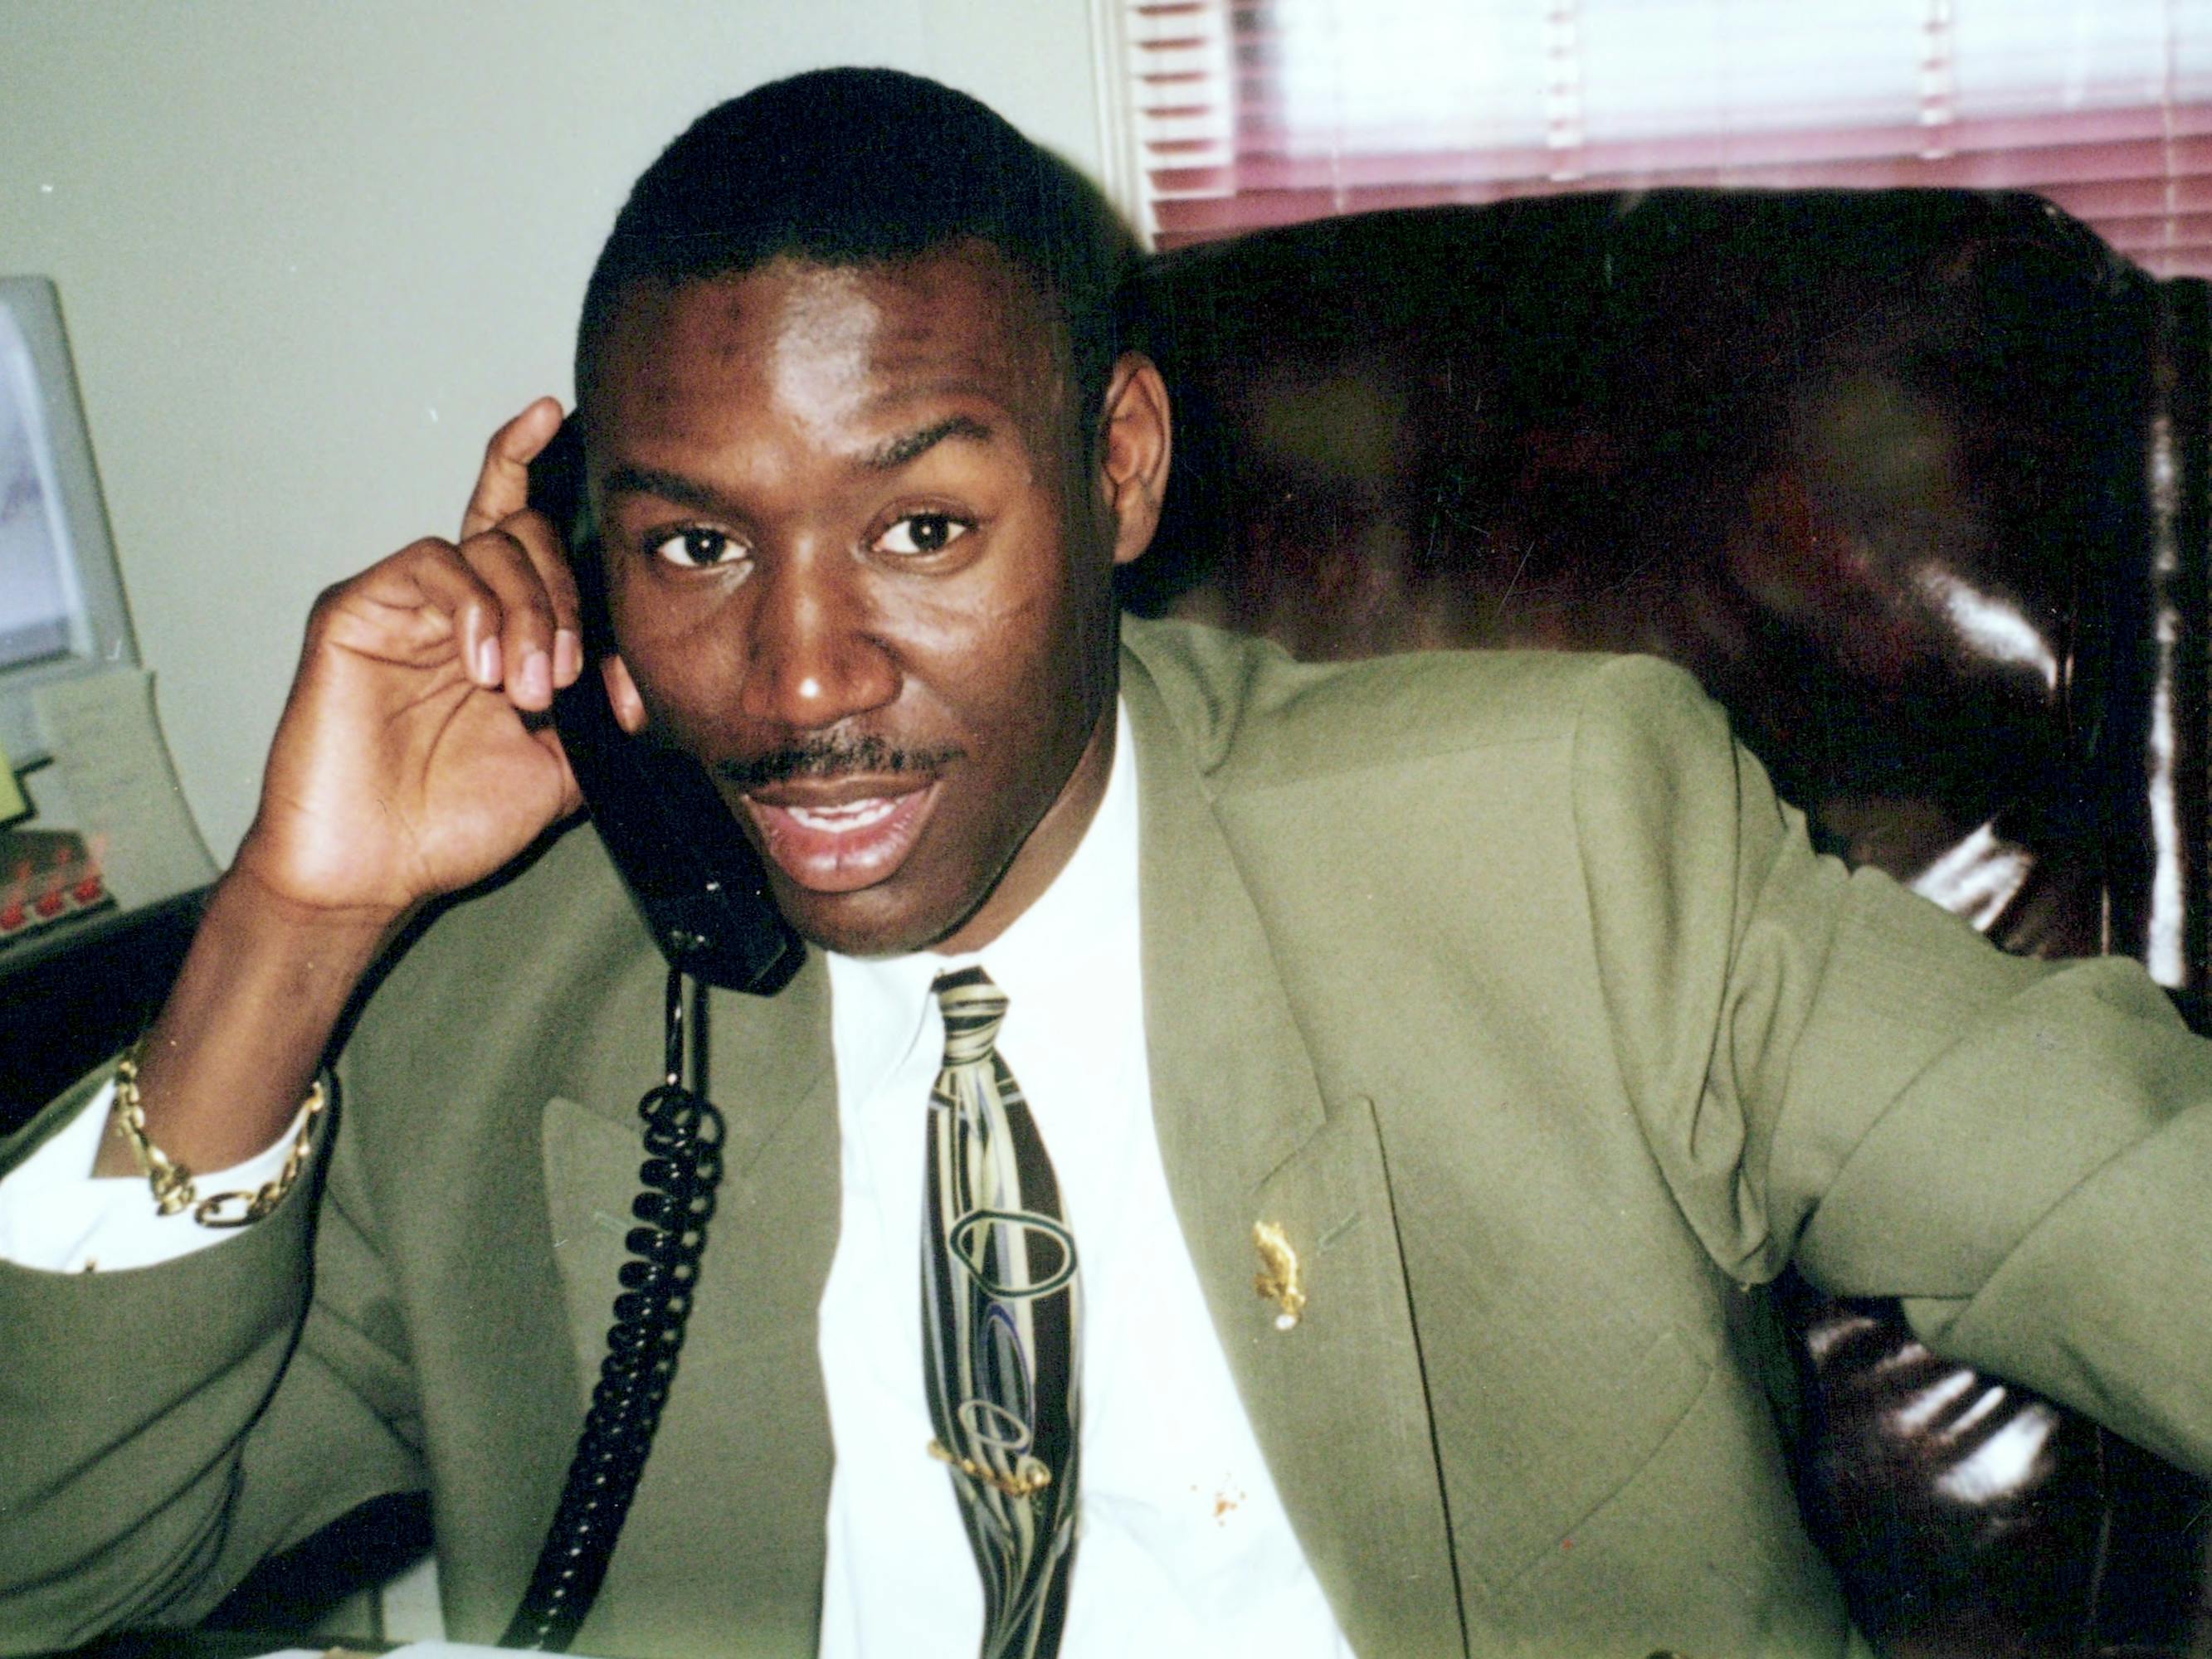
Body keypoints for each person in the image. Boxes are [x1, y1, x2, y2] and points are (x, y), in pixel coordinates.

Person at [3, 66, 2210, 1659]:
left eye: (925, 528)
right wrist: (296, 932)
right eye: (691, 543)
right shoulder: (499, 1006)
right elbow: (56, 1563)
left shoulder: (1553, 834)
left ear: (1121, 470)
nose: (795, 676)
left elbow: (2117, 1205)